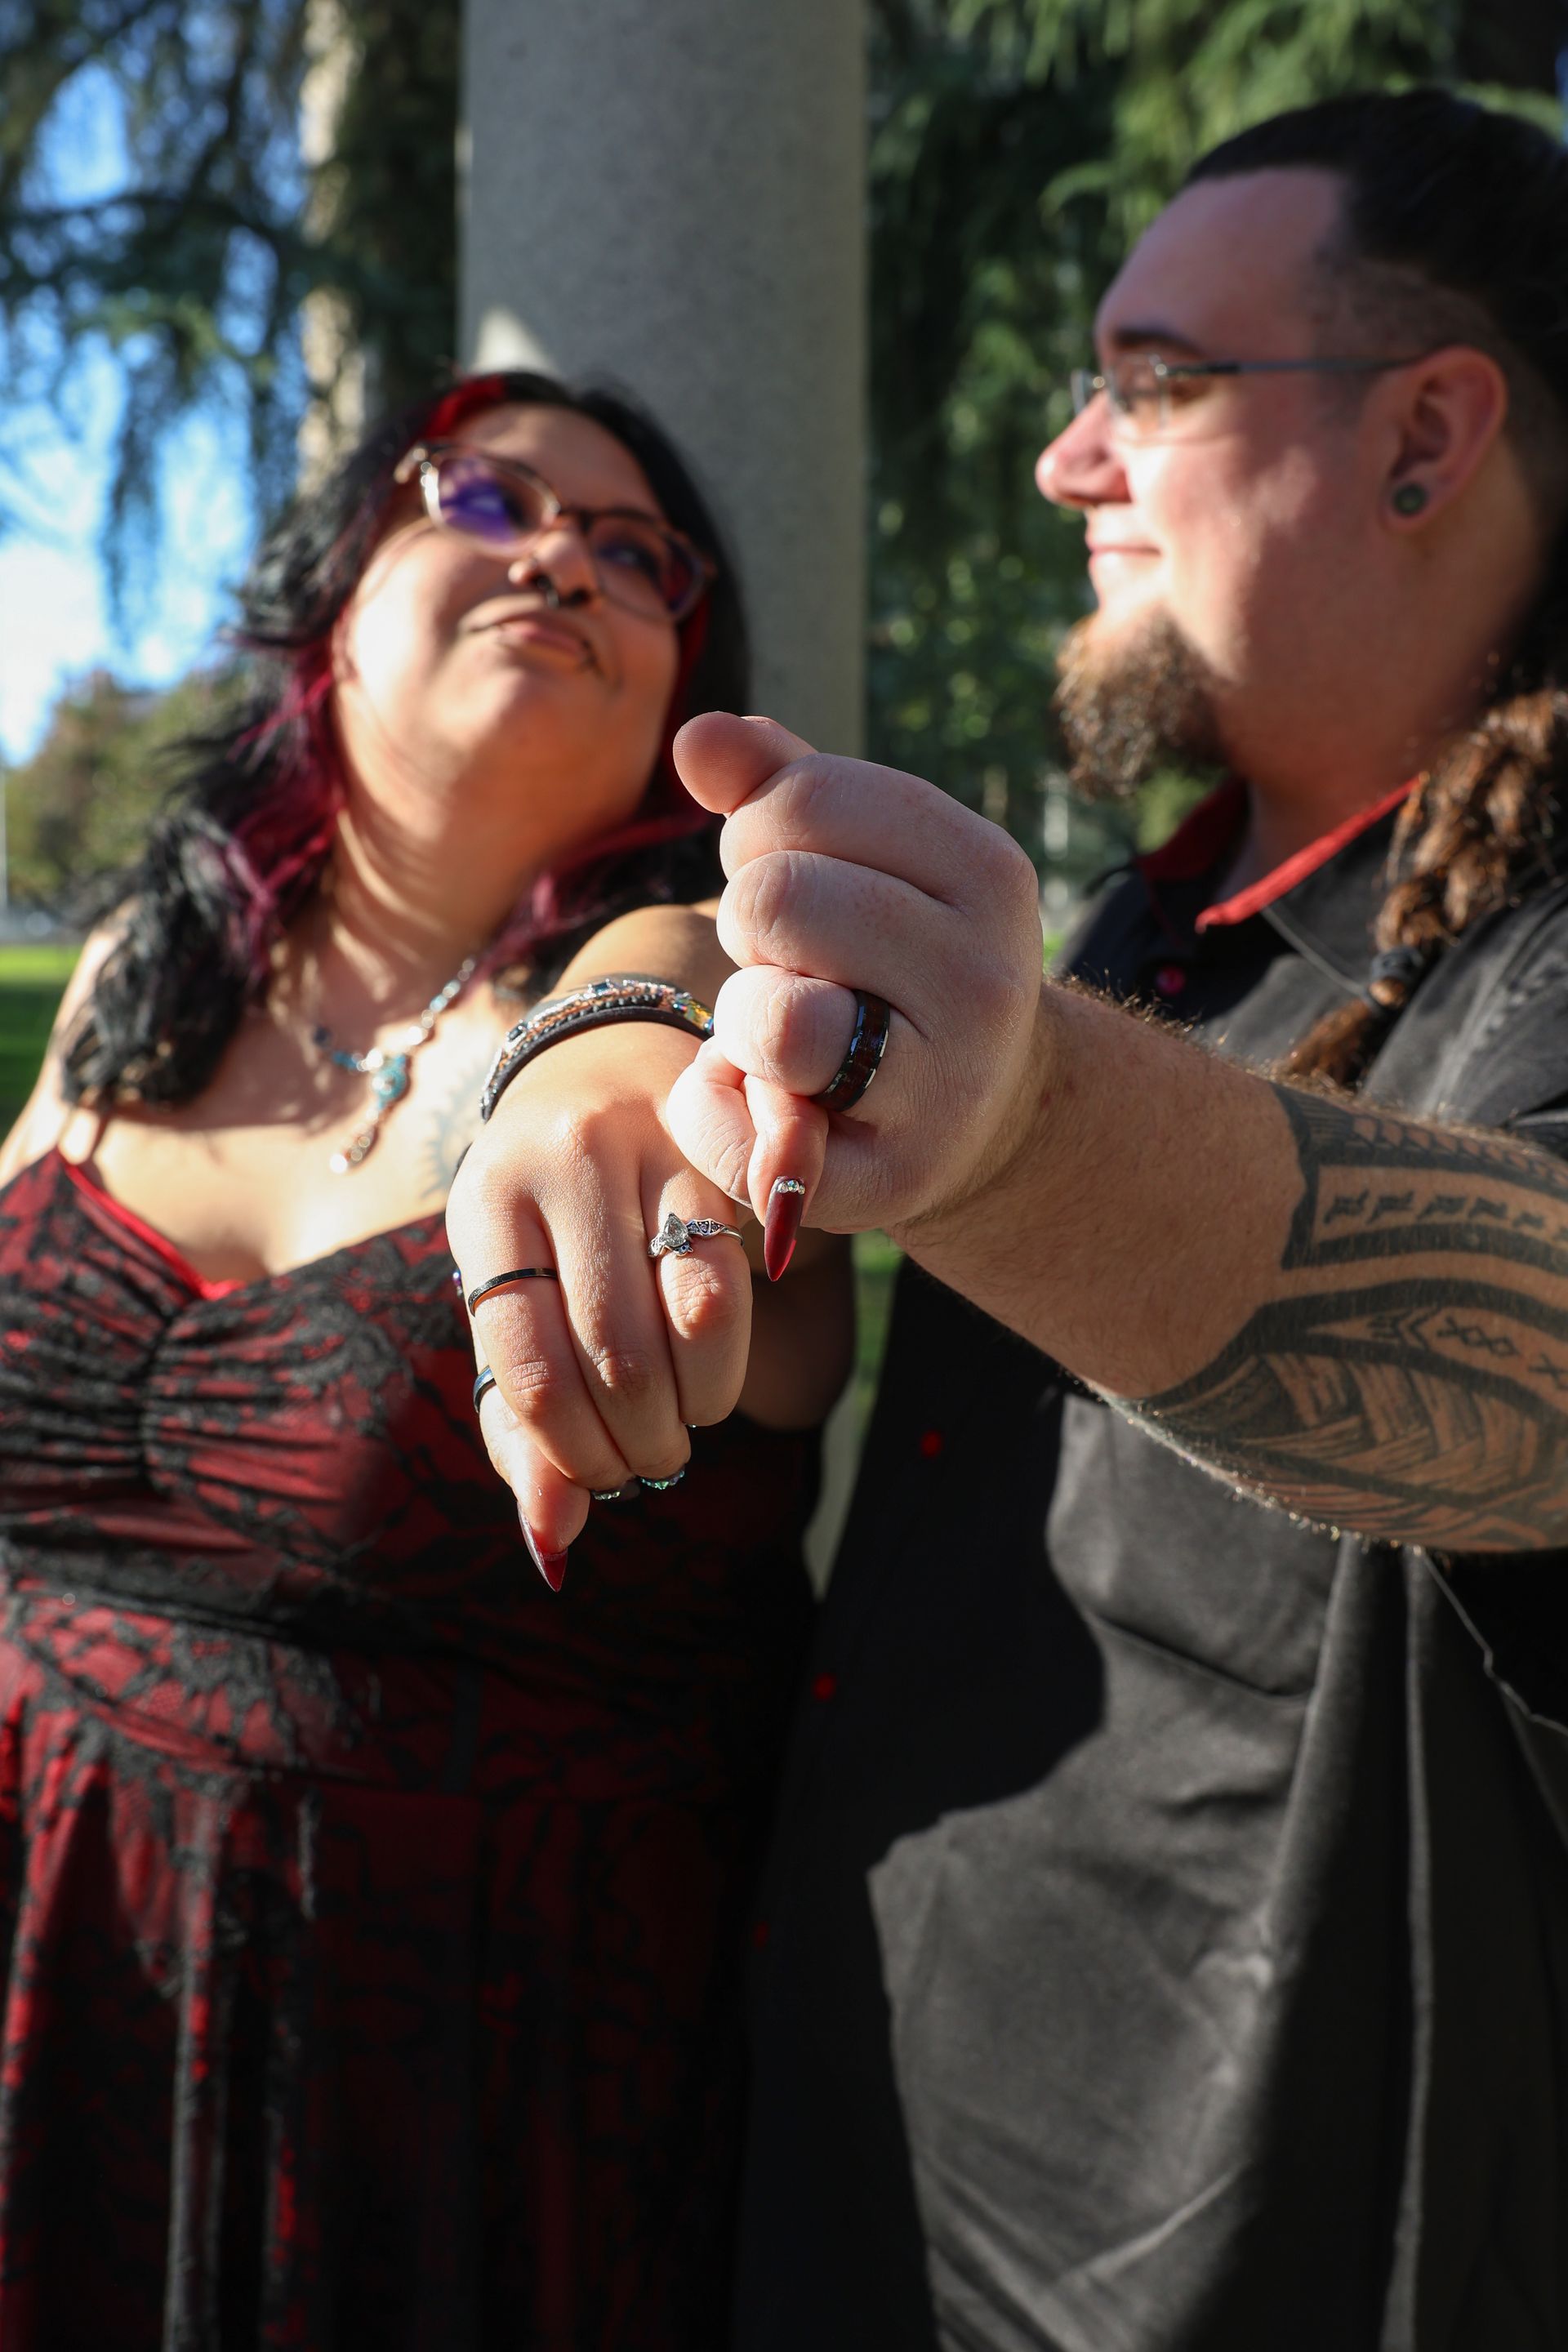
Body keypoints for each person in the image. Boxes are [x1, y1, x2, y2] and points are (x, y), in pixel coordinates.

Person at [454, 91, 1568, 2349]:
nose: (1068, 461)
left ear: (1426, 438)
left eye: (1154, 383)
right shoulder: (1157, 926)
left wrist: (1025, 1129)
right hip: (849, 2196)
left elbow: (1538, 1368)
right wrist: (627, 1002)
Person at [0, 367, 850, 2347]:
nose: (563, 557)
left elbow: (661, 1000)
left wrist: (613, 1055)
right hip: (49, 1979)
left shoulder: (710, 1001)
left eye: (637, 556)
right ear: (333, 605)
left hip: (453, 2109)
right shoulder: (138, 982)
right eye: (487, 500)